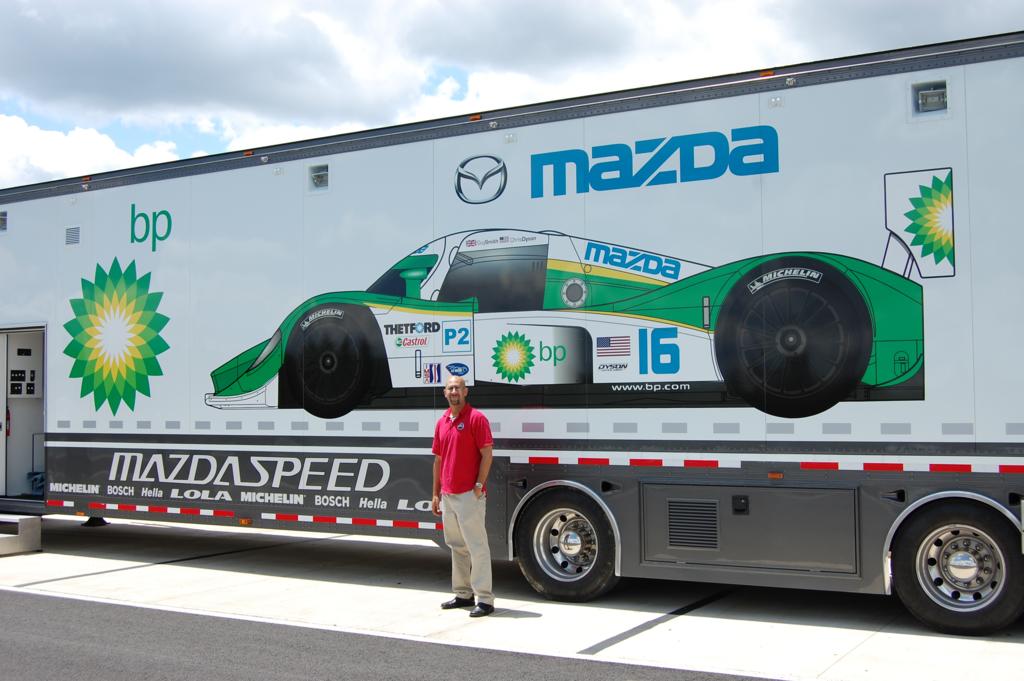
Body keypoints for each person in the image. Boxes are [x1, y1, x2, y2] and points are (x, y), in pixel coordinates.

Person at [431, 375, 495, 618]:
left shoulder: (476, 418)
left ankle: (485, 599)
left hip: (469, 495)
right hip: (447, 495)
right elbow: (438, 460)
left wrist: (478, 485)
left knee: (477, 546)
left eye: (458, 387)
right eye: (450, 388)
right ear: (445, 393)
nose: (454, 392)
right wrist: (435, 493)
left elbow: (487, 454)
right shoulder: (442, 422)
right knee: (457, 546)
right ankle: (463, 594)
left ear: (465, 392)